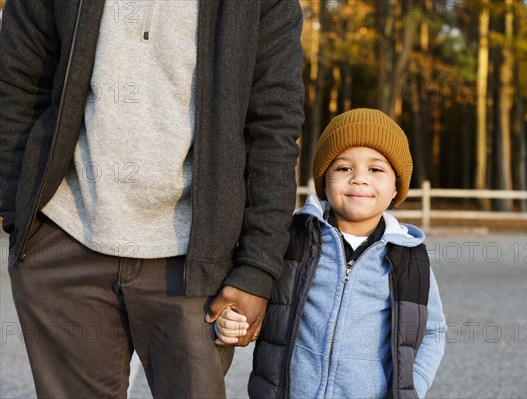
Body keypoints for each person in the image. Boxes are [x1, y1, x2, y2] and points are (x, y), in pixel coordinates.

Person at [0, 0, 304, 397]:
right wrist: (19, 215)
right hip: (64, 236)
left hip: (194, 262)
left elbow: (274, 127)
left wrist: (257, 268)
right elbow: (16, 83)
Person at [216, 108, 446, 398]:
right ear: (324, 181)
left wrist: (413, 385)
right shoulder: (291, 240)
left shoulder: (409, 258)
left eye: (375, 169)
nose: (359, 179)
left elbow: (433, 331)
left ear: (396, 187)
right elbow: (254, 299)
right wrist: (230, 321)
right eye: (343, 168)